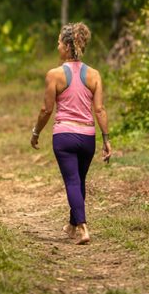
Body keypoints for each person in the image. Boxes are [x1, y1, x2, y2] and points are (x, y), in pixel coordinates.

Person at [30, 22, 111, 245]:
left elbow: (46, 109)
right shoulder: (94, 75)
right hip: (87, 138)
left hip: (64, 136)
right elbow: (100, 110)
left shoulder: (54, 75)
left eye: (58, 42)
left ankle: (83, 227)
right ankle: (72, 225)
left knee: (73, 182)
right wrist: (106, 139)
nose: (57, 46)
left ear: (67, 46)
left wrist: (36, 132)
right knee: (78, 180)